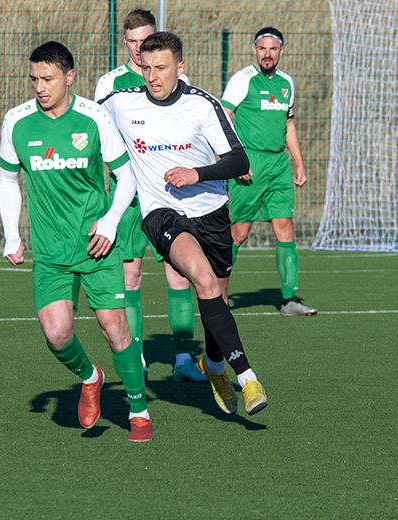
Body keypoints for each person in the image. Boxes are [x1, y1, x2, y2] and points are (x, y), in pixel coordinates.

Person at [100, 32, 267, 416]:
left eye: (160, 68)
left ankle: (213, 364)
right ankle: (248, 377)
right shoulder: (122, 103)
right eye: (146, 68)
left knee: (217, 299)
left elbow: (238, 161)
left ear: (180, 67)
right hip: (161, 213)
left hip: (211, 210)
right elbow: (85, 118)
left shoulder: (201, 105)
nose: (152, 76)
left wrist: (196, 173)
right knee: (204, 281)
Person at [0, 41, 152, 441]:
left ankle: (138, 411)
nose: (39, 87)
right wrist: (13, 234)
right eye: (34, 79)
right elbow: (8, 180)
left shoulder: (94, 118)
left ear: (69, 78)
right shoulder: (16, 122)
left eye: (47, 79)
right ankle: (91, 376)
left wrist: (111, 222)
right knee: (57, 333)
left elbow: (126, 177)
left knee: (115, 330)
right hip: (50, 251)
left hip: (96, 244)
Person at [94, 9, 205, 383]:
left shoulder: (178, 79)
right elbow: (100, 141)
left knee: (179, 275)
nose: (141, 48)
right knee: (132, 275)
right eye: (133, 41)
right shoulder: (109, 85)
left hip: (170, 195)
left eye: (147, 39)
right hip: (128, 198)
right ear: (124, 42)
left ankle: (185, 358)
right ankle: (137, 356)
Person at [221, 27, 317, 316]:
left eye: (273, 49)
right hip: (248, 162)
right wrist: (234, 160)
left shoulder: (286, 83)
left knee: (285, 227)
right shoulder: (242, 80)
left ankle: (289, 300)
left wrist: (299, 163)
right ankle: (215, 293)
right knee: (239, 231)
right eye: (262, 48)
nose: (267, 54)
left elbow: (288, 126)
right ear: (255, 50)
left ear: (281, 51)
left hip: (278, 165)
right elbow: (224, 118)